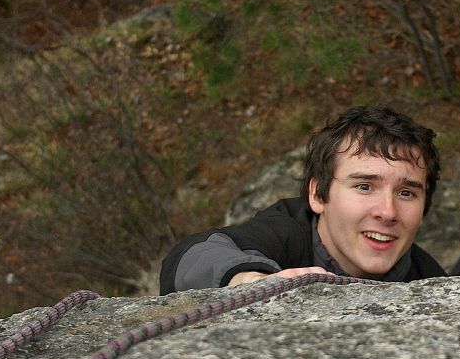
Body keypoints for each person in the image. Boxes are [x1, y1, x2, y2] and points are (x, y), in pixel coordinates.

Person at [159, 105, 445, 294]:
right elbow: (191, 257)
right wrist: (247, 280)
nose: (388, 211)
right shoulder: (284, 234)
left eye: (406, 193)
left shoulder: (432, 281)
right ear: (318, 194)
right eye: (364, 186)